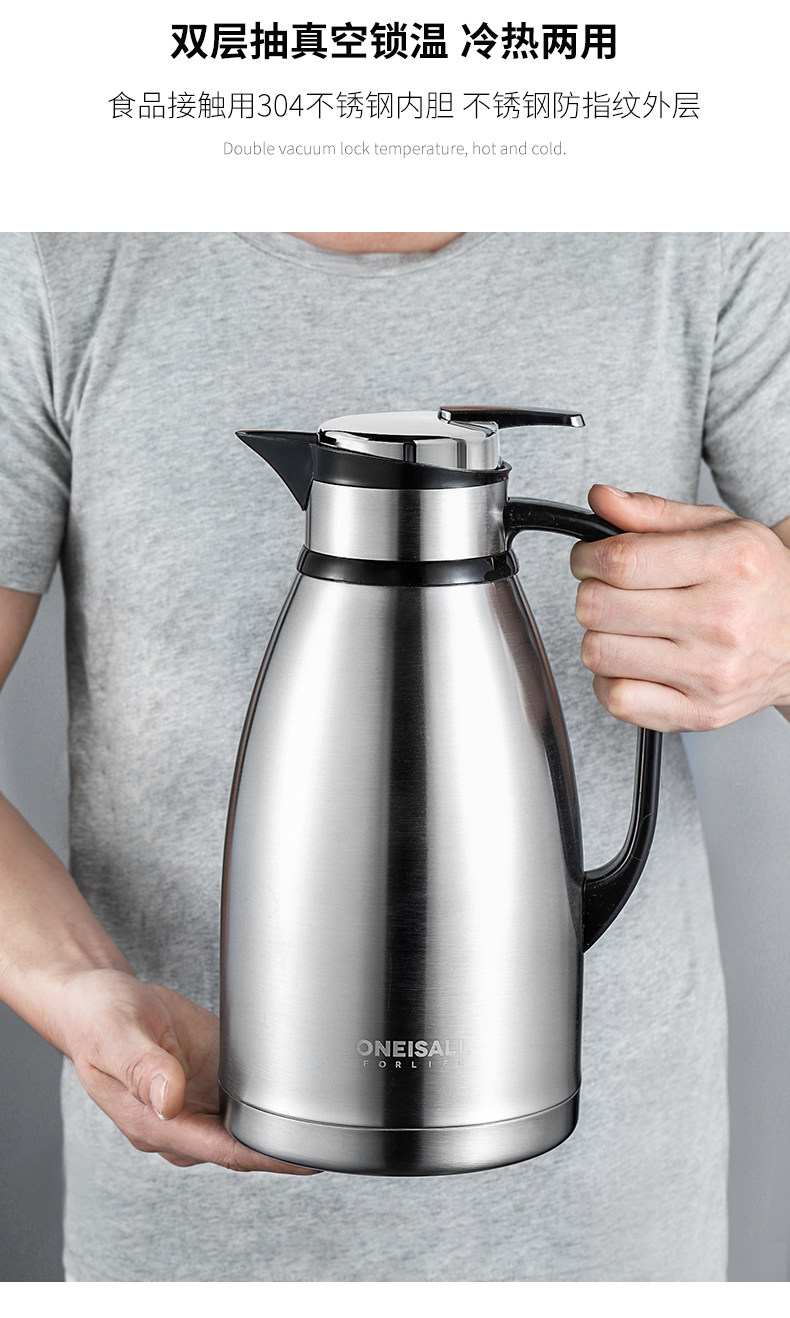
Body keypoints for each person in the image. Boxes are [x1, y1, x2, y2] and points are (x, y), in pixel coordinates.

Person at [0, 231, 789, 1283]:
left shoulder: (707, 230)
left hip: (609, 1232)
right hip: (189, 1236)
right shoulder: (54, 253)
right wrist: (76, 987)